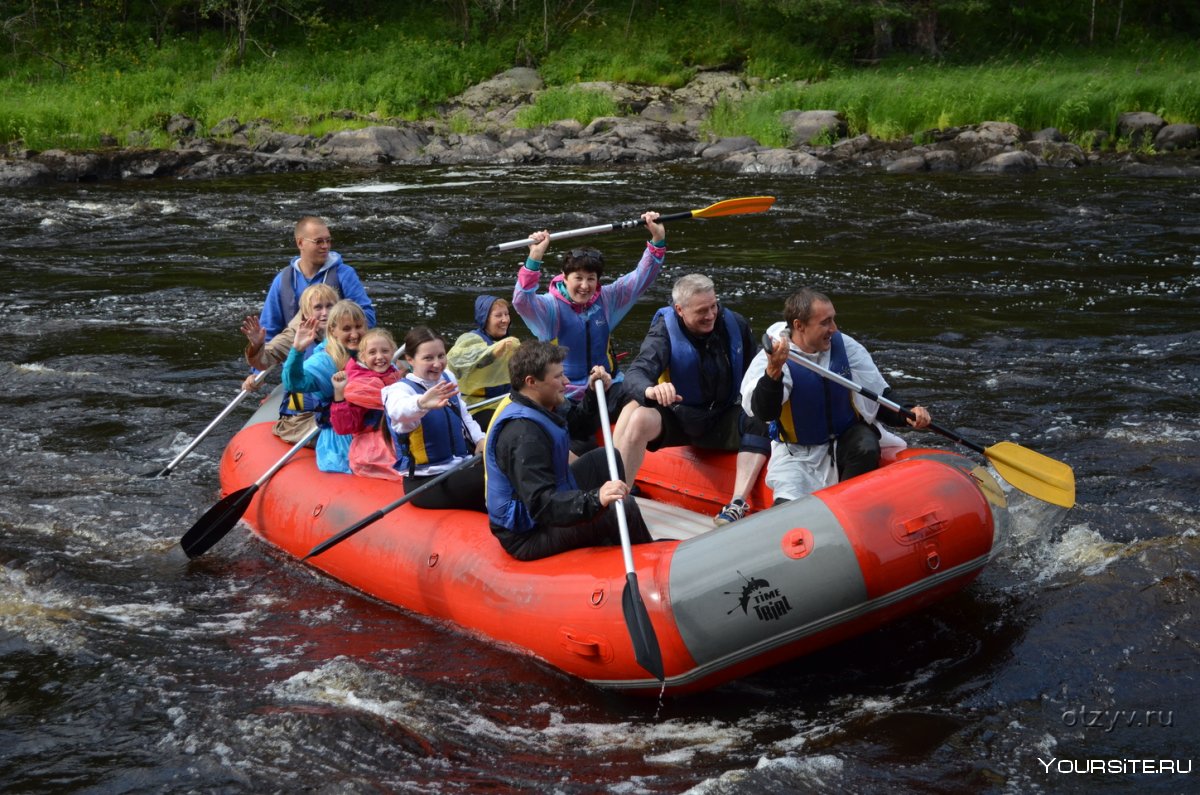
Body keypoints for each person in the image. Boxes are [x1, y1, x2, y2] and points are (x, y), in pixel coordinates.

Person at [741, 287, 932, 502]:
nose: (834, 328)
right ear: (799, 326)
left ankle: (851, 505)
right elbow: (763, 411)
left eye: (833, 319)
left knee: (866, 444)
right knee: (787, 507)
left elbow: (879, 396)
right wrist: (773, 372)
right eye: (825, 322)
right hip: (799, 454)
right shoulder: (776, 357)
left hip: (845, 440)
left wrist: (908, 413)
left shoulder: (846, 347)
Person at [613, 274, 770, 526]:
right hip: (680, 415)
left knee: (760, 416)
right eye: (701, 311)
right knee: (640, 417)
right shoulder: (664, 330)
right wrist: (651, 391)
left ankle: (737, 503)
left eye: (713, 306)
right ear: (680, 310)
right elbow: (636, 373)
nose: (710, 315)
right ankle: (620, 502)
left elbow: (757, 372)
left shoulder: (735, 325)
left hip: (721, 416)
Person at [485, 341, 654, 562]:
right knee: (622, 507)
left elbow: (578, 425)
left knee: (606, 457)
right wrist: (596, 499)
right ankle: (648, 562)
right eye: (558, 377)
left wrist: (592, 393)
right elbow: (542, 505)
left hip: (550, 502)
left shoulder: (541, 403)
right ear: (531, 382)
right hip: (528, 534)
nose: (566, 382)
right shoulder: (523, 435)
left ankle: (611, 540)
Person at [513, 211, 666, 405]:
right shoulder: (549, 307)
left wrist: (657, 240)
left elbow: (640, 278)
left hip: (608, 383)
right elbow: (521, 300)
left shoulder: (607, 298)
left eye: (591, 279)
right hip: (565, 392)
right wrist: (534, 257)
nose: (585, 286)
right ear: (565, 277)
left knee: (644, 406)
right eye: (578, 278)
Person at [380, 326, 488, 511]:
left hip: (459, 467)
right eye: (428, 358)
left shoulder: (447, 377)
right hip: (426, 483)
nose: (437, 364)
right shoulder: (400, 391)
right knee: (491, 478)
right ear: (410, 359)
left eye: (441, 355)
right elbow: (399, 411)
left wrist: (480, 439)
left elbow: (462, 414)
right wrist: (422, 403)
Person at [239, 283, 338, 443]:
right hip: (303, 399)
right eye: (318, 308)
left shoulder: (345, 330)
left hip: (335, 397)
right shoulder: (294, 334)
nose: (325, 313)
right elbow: (265, 359)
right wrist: (257, 345)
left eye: (330, 306)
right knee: (302, 407)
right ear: (307, 312)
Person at [258, 216, 376, 343]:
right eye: (319, 241)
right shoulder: (282, 280)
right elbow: (268, 331)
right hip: (296, 356)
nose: (325, 246)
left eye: (328, 241)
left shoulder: (344, 274)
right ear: (300, 243)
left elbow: (368, 318)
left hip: (335, 356)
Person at [281, 299, 366, 473]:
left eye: (358, 327)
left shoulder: (372, 351)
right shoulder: (324, 361)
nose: (355, 334)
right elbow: (293, 383)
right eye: (347, 329)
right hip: (342, 430)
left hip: (369, 423)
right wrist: (297, 350)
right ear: (333, 331)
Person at [329, 327, 404, 481]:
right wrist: (339, 394)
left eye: (385, 351)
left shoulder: (393, 374)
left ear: (392, 352)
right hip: (371, 443)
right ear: (362, 357)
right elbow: (343, 427)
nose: (379, 357)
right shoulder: (360, 385)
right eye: (372, 353)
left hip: (394, 433)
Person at [446, 295, 521, 429]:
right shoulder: (470, 338)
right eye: (498, 315)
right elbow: (459, 361)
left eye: (506, 314)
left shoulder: (508, 341)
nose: (505, 320)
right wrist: (492, 352)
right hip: (478, 406)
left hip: (505, 400)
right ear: (485, 319)